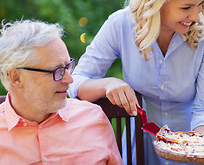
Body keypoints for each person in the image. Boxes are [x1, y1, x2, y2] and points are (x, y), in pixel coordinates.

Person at [68, 0, 204, 164]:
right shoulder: (120, 25)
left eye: (201, 4)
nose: (195, 16)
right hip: (144, 142)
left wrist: (198, 151)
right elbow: (74, 83)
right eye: (186, 7)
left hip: (202, 138)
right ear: (157, 1)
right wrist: (107, 84)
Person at [0, 20, 123, 165]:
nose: (69, 80)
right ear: (16, 77)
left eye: (67, 66)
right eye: (57, 71)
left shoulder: (93, 118)